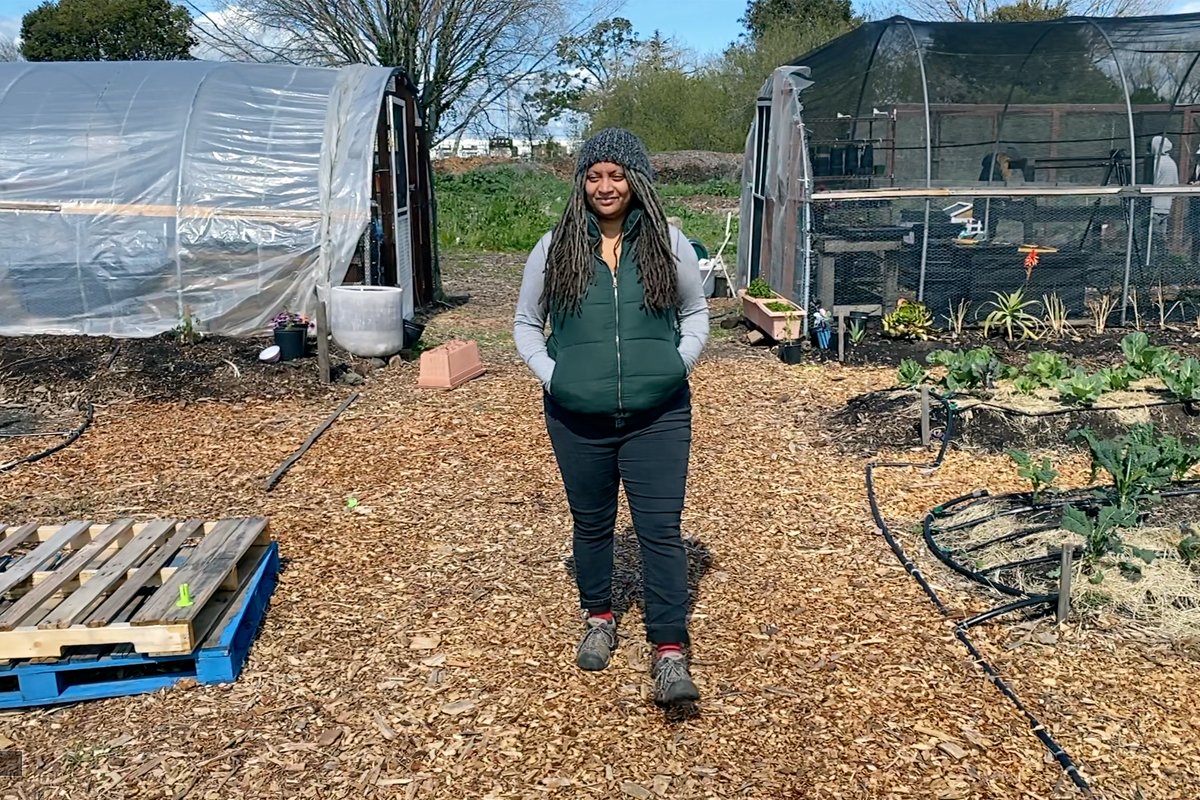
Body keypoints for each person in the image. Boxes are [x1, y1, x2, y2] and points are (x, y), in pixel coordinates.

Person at [512, 128, 709, 705]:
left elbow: (696, 310)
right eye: (594, 176)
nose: (605, 186)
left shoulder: (670, 243)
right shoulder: (554, 248)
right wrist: (556, 376)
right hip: (578, 416)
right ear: (581, 184)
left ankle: (669, 652)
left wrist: (677, 364)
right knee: (592, 524)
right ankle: (599, 617)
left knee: (660, 531)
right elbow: (526, 322)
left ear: (636, 181)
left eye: (616, 175)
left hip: (659, 414)